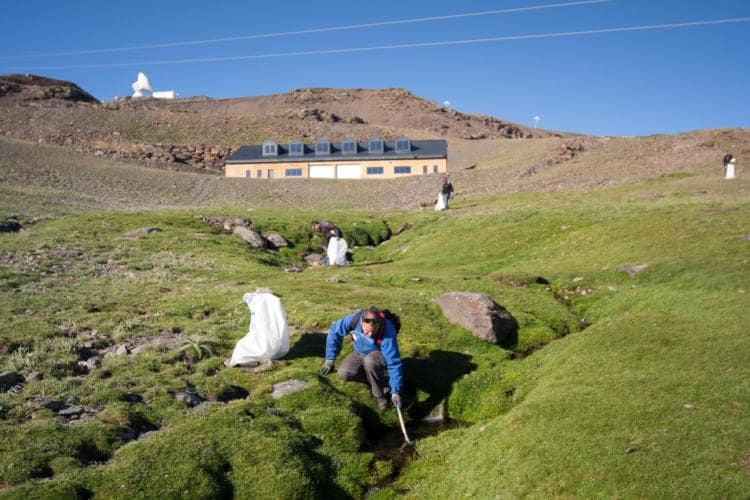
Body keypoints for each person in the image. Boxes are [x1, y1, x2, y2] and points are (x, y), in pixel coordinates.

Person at [320, 306, 402, 411]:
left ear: (379, 324)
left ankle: (380, 396)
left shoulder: (388, 331)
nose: (370, 335)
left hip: (378, 355)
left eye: (373, 332)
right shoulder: (353, 320)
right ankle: (378, 382)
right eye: (367, 332)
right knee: (344, 373)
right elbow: (334, 332)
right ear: (362, 323)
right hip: (359, 352)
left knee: (370, 361)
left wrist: (395, 392)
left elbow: (394, 362)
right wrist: (330, 360)